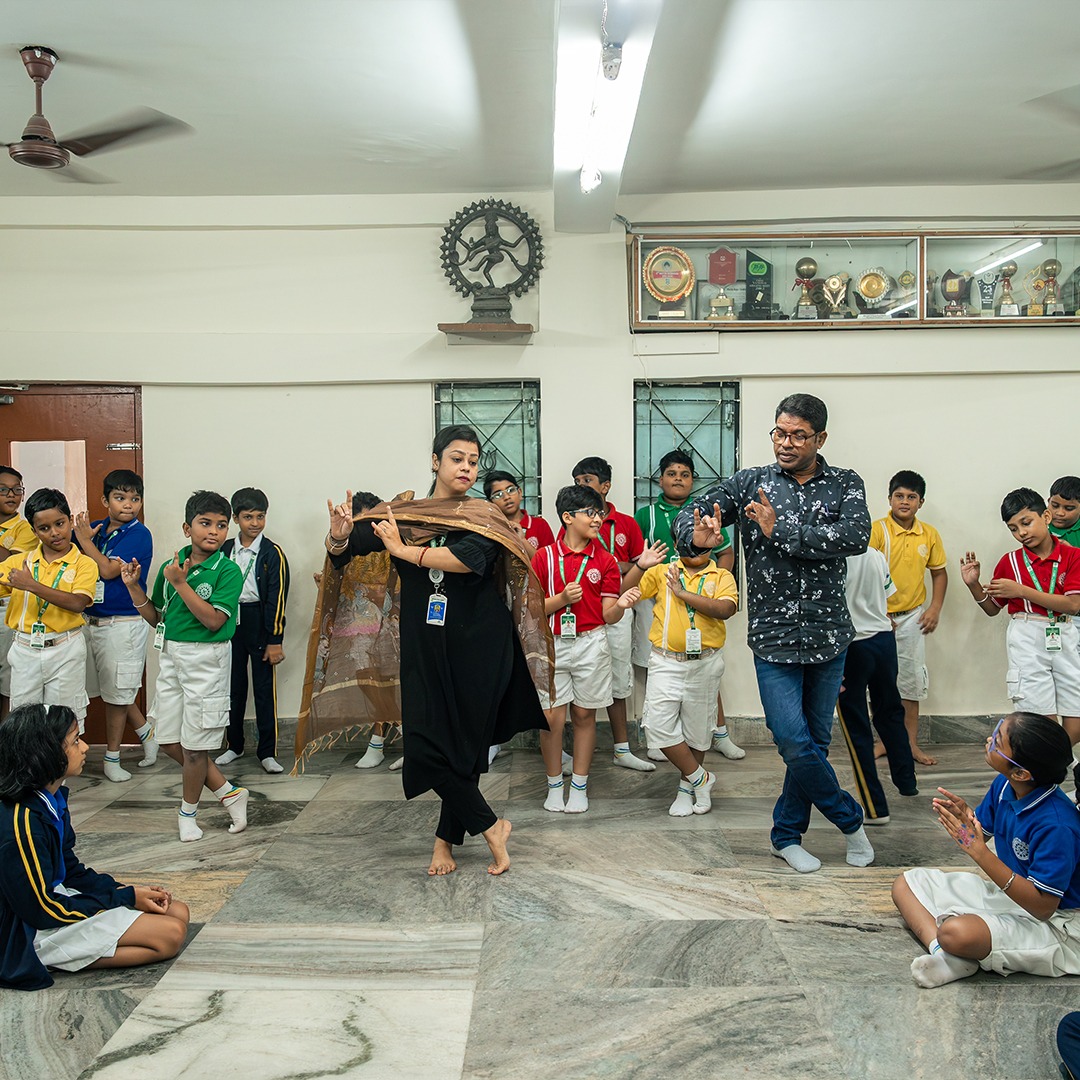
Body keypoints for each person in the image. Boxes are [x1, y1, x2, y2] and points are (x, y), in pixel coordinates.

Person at [325, 426, 550, 876]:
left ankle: (443, 843)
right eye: (456, 458)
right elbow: (346, 553)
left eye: (473, 461)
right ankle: (491, 826)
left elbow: (468, 559)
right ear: (435, 461)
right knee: (426, 746)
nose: (466, 468)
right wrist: (339, 536)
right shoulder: (405, 514)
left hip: (480, 645)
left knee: (465, 748)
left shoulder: (484, 515)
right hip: (426, 645)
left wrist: (404, 552)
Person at [673, 392, 875, 874]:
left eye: (798, 435)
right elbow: (694, 511)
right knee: (792, 741)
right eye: (779, 433)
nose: (786, 443)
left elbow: (855, 536)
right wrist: (693, 536)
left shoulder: (846, 483)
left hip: (828, 636)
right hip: (774, 638)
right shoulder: (751, 482)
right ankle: (851, 821)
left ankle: (786, 836)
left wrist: (777, 529)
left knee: (815, 743)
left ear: (820, 438)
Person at [0, 704, 189, 991]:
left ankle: (74, 951)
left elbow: (70, 871)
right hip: (25, 927)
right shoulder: (21, 821)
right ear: (45, 753)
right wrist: (123, 898)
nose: (86, 747)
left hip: (52, 901)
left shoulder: (50, 800)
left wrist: (125, 891)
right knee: (169, 935)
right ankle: (42, 960)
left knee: (179, 912)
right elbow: (40, 909)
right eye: (76, 741)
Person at [892, 711, 1080, 988]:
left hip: (1060, 924)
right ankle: (947, 956)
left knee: (957, 933)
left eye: (998, 741)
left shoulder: (1057, 825)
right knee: (907, 884)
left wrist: (980, 853)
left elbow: (1043, 907)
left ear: (1021, 772)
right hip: (1014, 897)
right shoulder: (1005, 784)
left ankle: (955, 950)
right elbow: (982, 832)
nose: (989, 740)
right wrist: (967, 819)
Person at [121, 491, 249, 842]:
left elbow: (213, 621)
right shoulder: (171, 566)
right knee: (166, 739)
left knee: (195, 747)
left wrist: (180, 582)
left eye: (221, 525)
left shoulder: (228, 571)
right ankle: (228, 792)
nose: (214, 531)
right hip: (171, 656)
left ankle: (188, 814)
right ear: (187, 528)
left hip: (207, 660)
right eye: (205, 523)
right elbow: (157, 617)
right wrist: (134, 589)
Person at [533, 485, 652, 814]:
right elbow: (532, 610)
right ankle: (554, 786)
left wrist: (622, 605)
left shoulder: (606, 561)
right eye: (590, 512)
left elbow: (607, 615)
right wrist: (561, 600)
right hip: (552, 643)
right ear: (567, 517)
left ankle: (579, 786)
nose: (598, 518)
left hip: (591, 643)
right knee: (551, 720)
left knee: (585, 715)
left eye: (599, 512)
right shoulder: (543, 557)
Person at [633, 449, 743, 761]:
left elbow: (726, 552)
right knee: (660, 666)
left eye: (685, 475)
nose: (678, 479)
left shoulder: (704, 515)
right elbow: (637, 558)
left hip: (699, 600)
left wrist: (714, 583)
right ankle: (662, 739)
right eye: (671, 474)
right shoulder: (645, 515)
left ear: (693, 480)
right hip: (660, 597)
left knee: (704, 671)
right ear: (660, 480)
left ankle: (718, 734)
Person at [960, 488, 1080, 751]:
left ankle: (1052, 759)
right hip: (1027, 636)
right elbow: (992, 608)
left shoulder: (1073, 556)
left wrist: (1021, 591)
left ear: (1046, 516)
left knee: (1076, 720)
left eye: (1026, 523)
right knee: (1040, 720)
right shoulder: (1010, 562)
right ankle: (1050, 767)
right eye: (1013, 529)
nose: (1022, 533)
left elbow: (1073, 605)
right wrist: (973, 585)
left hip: (1064, 633)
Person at [630, 540, 738, 816]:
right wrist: (640, 566)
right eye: (690, 544)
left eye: (703, 546)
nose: (697, 552)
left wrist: (682, 593)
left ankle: (686, 790)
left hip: (705, 663)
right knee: (657, 727)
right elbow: (624, 591)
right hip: (665, 661)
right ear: (678, 543)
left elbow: (726, 609)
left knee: (697, 731)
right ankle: (701, 778)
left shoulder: (721, 575)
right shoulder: (662, 571)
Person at [73, 470, 158, 782]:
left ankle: (112, 757)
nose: (128, 504)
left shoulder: (140, 534)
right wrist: (83, 537)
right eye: (120, 498)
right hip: (89, 620)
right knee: (113, 689)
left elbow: (109, 570)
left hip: (123, 622)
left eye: (135, 499)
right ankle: (148, 734)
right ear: (105, 500)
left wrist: (85, 541)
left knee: (117, 692)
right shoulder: (97, 529)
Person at [571, 456, 654, 771]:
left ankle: (622, 748)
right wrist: (617, 567)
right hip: (584, 610)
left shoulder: (627, 524)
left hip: (618, 606)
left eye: (588, 480)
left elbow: (641, 567)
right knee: (580, 676)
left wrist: (620, 567)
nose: (581, 485)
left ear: (605, 486)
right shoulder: (574, 521)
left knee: (619, 676)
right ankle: (579, 749)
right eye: (577, 481)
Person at [0, 489, 97, 733]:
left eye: (60, 524)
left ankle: (65, 760)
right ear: (34, 531)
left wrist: (30, 585)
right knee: (24, 723)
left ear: (70, 520)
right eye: (44, 528)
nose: (54, 533)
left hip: (65, 647)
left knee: (64, 721)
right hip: (25, 649)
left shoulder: (84, 563)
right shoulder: (19, 562)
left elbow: (78, 603)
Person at [869, 470, 947, 767]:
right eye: (899, 496)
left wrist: (934, 608)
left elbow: (939, 573)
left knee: (910, 683)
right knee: (880, 683)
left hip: (912, 617)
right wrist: (879, 613)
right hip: (879, 619)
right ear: (889, 499)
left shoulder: (929, 534)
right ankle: (884, 742)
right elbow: (865, 574)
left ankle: (910, 743)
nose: (904, 501)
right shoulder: (877, 531)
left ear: (920, 502)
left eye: (911, 497)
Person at [836, 547, 918, 825]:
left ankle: (874, 809)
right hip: (883, 640)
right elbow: (887, 594)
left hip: (851, 644)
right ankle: (906, 781)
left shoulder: (832, 555)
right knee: (890, 711)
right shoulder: (875, 555)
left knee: (855, 725)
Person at [217, 487, 291, 774]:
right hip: (229, 622)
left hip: (259, 622)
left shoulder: (272, 553)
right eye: (248, 517)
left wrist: (275, 639)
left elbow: (277, 599)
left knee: (263, 690)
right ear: (236, 518)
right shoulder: (224, 550)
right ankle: (234, 745)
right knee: (232, 688)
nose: (255, 523)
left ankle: (267, 752)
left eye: (260, 516)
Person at [0, 466, 38, 720]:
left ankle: (6, 735)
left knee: (8, 678)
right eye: (3, 489)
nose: (12, 495)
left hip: (5, 608)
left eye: (17, 489)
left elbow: (10, 563)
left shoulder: (24, 529)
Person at [483, 470, 555, 551]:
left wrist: (522, 541)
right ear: (491, 503)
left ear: (520, 492)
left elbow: (548, 559)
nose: (506, 497)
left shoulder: (540, 525)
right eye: (498, 495)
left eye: (511, 490)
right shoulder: (490, 530)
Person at [1049, 476, 1080, 549]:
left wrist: (1073, 553)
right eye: (1055, 506)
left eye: (1069, 509)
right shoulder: (1040, 527)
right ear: (1048, 501)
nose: (1060, 513)